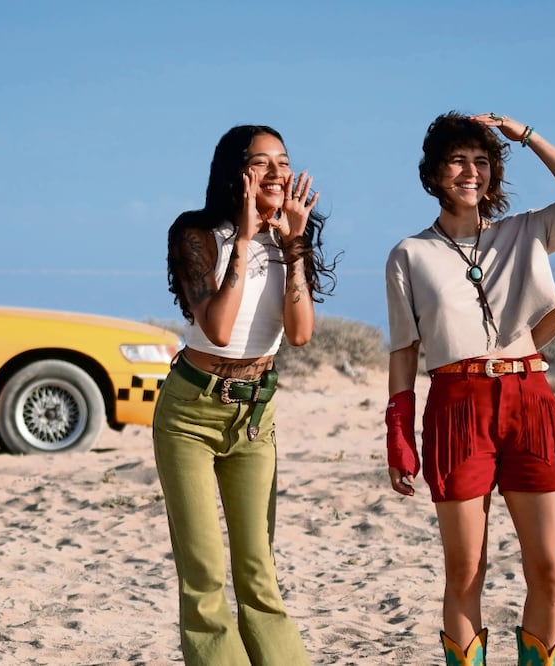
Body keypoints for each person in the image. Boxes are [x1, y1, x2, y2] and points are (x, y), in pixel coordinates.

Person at [384, 111, 555, 666]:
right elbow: (404, 349)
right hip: (457, 408)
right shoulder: (409, 254)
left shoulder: (525, 230)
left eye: (481, 162)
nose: (470, 172)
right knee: (465, 570)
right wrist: (398, 433)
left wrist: (526, 136)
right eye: (458, 161)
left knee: (549, 569)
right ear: (434, 173)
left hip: (530, 401)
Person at [152, 124, 336, 665]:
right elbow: (219, 329)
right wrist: (245, 242)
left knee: (258, 567)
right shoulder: (195, 234)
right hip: (190, 412)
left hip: (256, 413)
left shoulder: (290, 240)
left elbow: (300, 334)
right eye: (263, 162)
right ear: (236, 172)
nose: (279, 172)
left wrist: (294, 244)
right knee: (204, 570)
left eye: (284, 161)